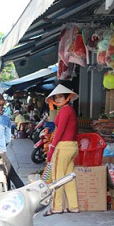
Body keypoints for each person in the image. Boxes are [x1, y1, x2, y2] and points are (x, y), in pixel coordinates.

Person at [43, 84, 80, 216]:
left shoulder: (65, 110)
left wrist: (52, 148)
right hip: (72, 146)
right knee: (68, 178)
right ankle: (73, 206)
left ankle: (57, 207)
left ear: (67, 97)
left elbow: (60, 130)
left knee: (57, 178)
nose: (58, 99)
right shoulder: (69, 109)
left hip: (63, 147)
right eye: (56, 97)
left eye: (60, 96)